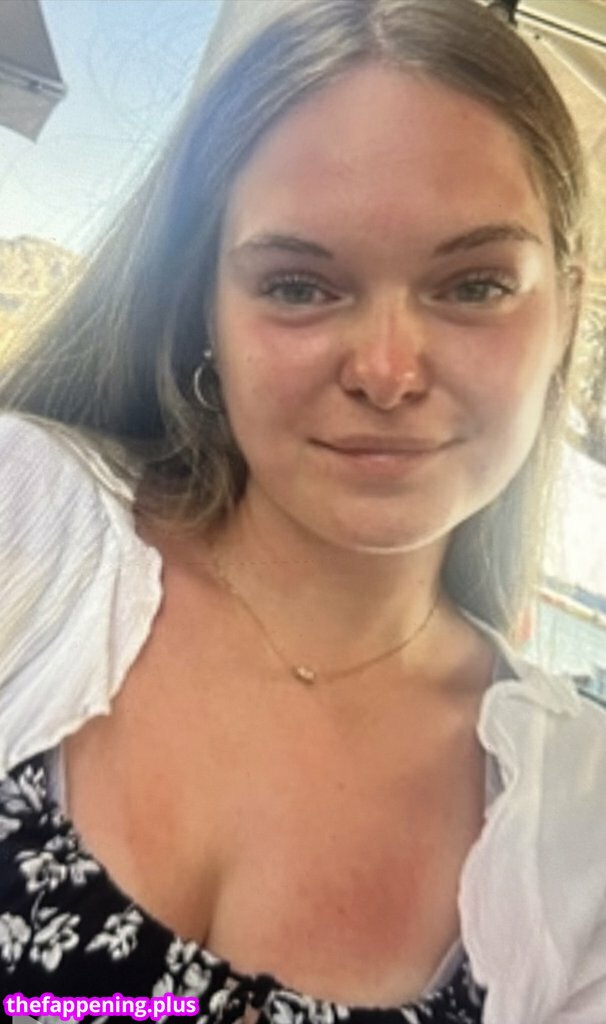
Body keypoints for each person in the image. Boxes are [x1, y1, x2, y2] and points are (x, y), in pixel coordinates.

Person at [0, 0, 605, 1021]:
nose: (387, 370)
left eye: (473, 285)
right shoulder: (25, 520)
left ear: (567, 312)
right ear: (206, 306)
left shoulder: (577, 827)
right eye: (297, 285)